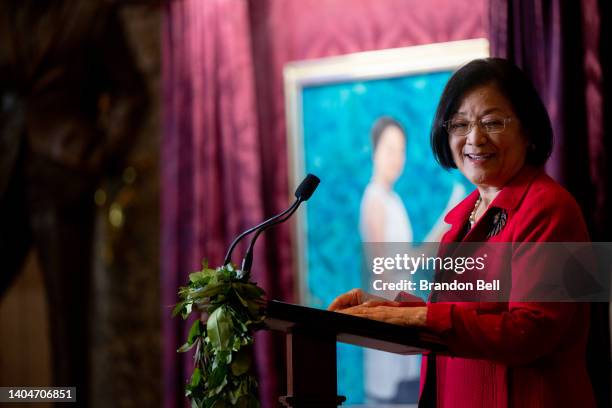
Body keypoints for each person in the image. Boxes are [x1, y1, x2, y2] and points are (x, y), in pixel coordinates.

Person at [329, 58, 596, 407]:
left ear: (528, 130)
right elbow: (461, 316)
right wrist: (390, 309)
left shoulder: (557, 208)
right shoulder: (462, 218)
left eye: (492, 122)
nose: (474, 139)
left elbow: (531, 332)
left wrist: (420, 316)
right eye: (459, 124)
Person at [0, 0, 147, 403]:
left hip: (63, 174)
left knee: (68, 327)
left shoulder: (91, 13)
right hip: (6, 173)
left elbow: (132, 92)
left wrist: (99, 156)